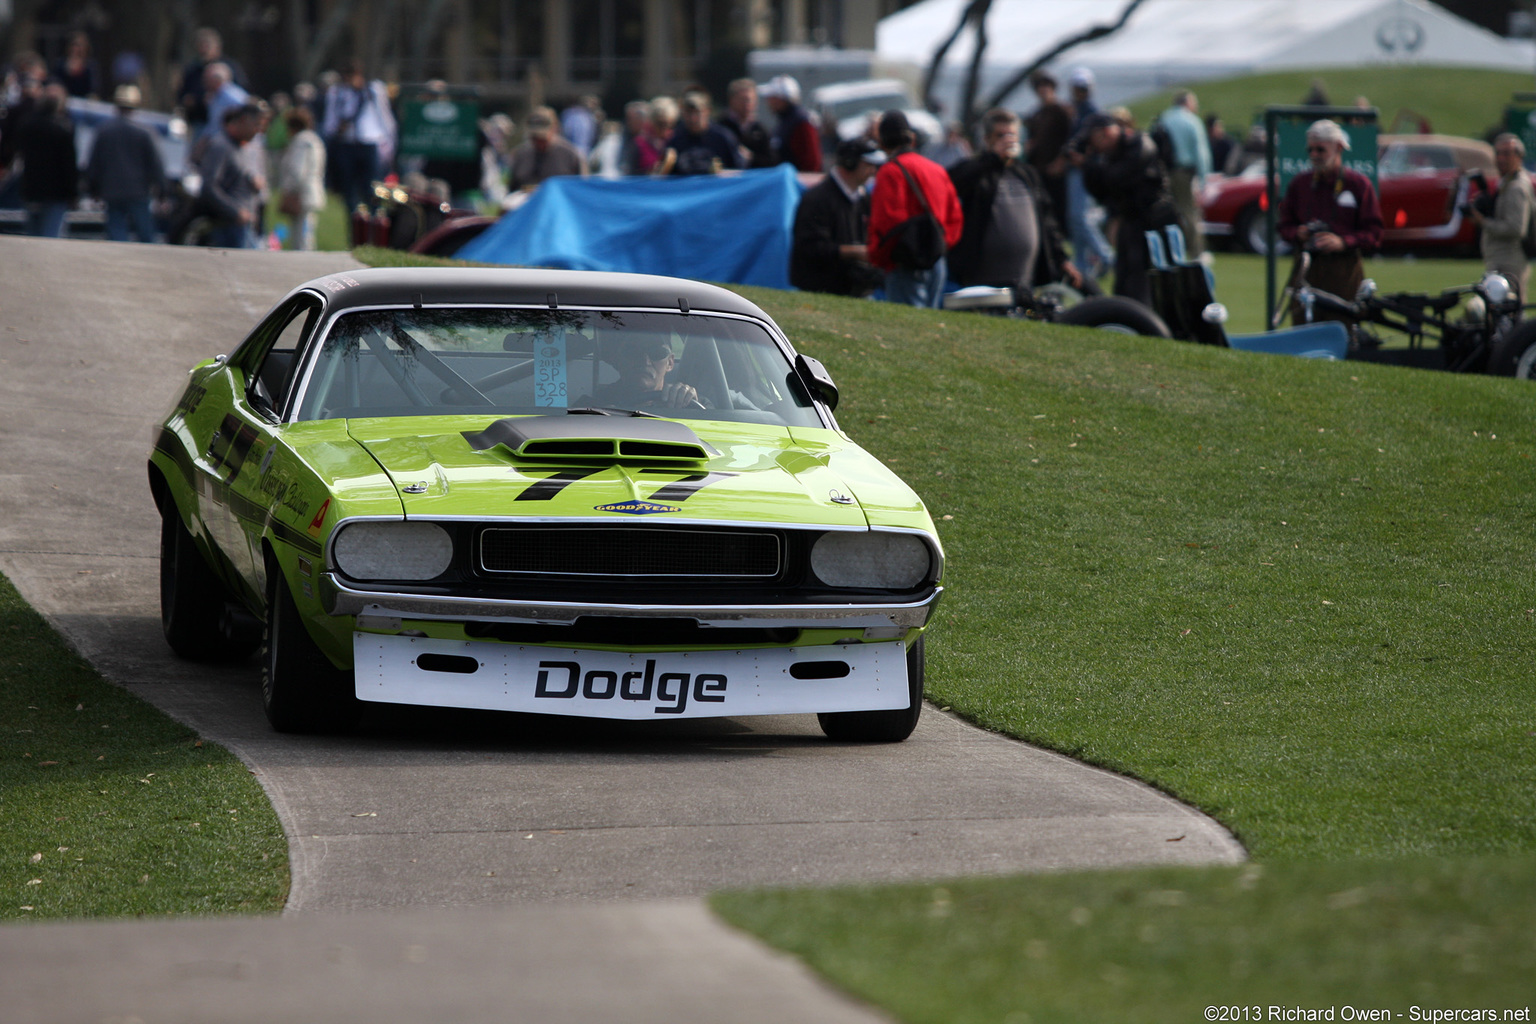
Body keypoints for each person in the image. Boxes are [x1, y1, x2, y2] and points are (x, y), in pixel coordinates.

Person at [948, 108, 1082, 293]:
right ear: (987, 139)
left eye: (1011, 134)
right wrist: (993, 158)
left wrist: (1061, 259)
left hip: (1024, 280)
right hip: (982, 281)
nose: (1007, 140)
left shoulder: (1028, 174)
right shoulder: (978, 171)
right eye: (1000, 135)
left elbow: (1047, 220)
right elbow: (954, 181)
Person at [1277, 119, 1383, 327]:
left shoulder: (1359, 185)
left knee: (1343, 332)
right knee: (1302, 334)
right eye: (1310, 150)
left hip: (1344, 273)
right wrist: (1298, 233)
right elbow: (1283, 226)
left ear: (1339, 148)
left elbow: (1375, 233)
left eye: (1321, 150)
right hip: (1307, 271)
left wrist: (1343, 242)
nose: (1314, 155)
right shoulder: (1300, 184)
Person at [1076, 111, 1183, 307]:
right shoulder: (1109, 156)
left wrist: (1092, 164)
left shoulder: (1139, 143)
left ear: (1106, 133)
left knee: (1144, 277)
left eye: (1093, 140)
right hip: (1131, 220)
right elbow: (1100, 192)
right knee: (1124, 276)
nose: (1092, 146)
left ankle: (1144, 318)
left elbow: (1118, 177)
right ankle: (1125, 316)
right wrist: (1087, 166)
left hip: (1154, 221)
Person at [867, 110, 964, 308]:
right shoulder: (936, 169)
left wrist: (878, 258)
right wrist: (939, 247)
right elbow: (955, 217)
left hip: (904, 263)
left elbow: (886, 223)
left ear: (882, 143)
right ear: (911, 139)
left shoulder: (889, 172)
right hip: (937, 260)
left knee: (908, 329)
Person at [790, 137, 886, 297]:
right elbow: (810, 248)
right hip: (821, 288)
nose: (873, 171)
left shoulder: (863, 198)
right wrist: (857, 252)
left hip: (854, 288)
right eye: (868, 164)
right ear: (850, 162)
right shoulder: (817, 199)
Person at [85, 84, 164, 243]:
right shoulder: (145, 132)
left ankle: (118, 264)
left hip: (111, 189)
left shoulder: (104, 130)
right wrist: (163, 190)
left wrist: (93, 188)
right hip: (139, 190)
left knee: (116, 233)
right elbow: (156, 163)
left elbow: (94, 162)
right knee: (145, 234)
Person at [321, 60, 396, 212]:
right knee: (349, 193)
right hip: (346, 144)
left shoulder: (373, 90)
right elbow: (329, 123)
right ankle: (356, 226)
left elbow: (385, 119)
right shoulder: (337, 93)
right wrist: (337, 129)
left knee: (372, 190)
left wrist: (390, 145)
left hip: (369, 144)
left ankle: (374, 226)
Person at [1471, 133, 1533, 305]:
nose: (1500, 158)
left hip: (1509, 261)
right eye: (1498, 153)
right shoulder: (1506, 182)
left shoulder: (1517, 187)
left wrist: (1483, 222)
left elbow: (1515, 228)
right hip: (1499, 259)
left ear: (1519, 157)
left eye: (1506, 153)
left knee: (1509, 312)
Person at [1064, 66, 1114, 281]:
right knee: (1076, 220)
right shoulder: (1074, 111)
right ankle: (1082, 266)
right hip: (1075, 170)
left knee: (1080, 217)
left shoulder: (1093, 112)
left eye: (1083, 88)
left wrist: (1082, 159)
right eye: (1077, 88)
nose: (1080, 92)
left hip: (1085, 170)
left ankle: (1105, 255)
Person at [197, 103, 265, 248]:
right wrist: (235, 212)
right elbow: (208, 187)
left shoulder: (241, 146)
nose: (259, 131)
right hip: (227, 226)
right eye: (256, 125)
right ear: (244, 120)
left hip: (243, 225)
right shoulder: (220, 146)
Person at [16, 86, 78, 237]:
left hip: (31, 188)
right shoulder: (63, 129)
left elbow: (18, 152)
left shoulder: (26, 126)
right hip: (56, 192)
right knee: (51, 234)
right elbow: (68, 164)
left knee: (32, 233)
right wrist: (73, 193)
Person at [1157, 90, 1212, 256]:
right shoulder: (1191, 121)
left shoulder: (1164, 118)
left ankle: (1170, 250)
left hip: (1164, 171)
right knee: (1190, 212)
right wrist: (1203, 178)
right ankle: (1196, 252)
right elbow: (1201, 152)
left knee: (1169, 212)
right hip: (1185, 172)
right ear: (1187, 103)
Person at [177, 28, 248, 134]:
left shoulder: (230, 67)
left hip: (224, 125)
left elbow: (241, 92)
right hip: (199, 121)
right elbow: (182, 93)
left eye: (207, 46)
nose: (204, 49)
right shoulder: (193, 69)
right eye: (201, 46)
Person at [593, 338, 699, 409]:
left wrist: (689, 401)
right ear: (617, 361)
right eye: (633, 352)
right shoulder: (594, 406)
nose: (645, 361)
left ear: (670, 363)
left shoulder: (689, 402)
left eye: (657, 353)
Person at [1023, 71, 1072, 223]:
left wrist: (1061, 162)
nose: (1043, 90)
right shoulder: (1036, 114)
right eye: (1039, 87)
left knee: (1059, 212)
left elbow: (1071, 138)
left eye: (1046, 86)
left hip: (1058, 170)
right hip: (1039, 169)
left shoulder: (1063, 111)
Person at [278, 105, 326, 250]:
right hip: (312, 191)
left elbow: (297, 170)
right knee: (306, 232)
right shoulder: (315, 140)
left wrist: (289, 191)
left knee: (301, 237)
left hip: (301, 194)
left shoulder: (300, 142)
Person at [507, 106, 586, 190]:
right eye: (534, 138)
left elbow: (581, 190)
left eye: (542, 139)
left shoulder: (570, 155)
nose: (539, 143)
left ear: (554, 129)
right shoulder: (521, 155)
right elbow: (512, 189)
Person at [665, 91, 740, 175]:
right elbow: (668, 177)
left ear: (707, 111)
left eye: (697, 112)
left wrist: (721, 173)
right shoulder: (675, 140)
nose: (693, 118)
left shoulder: (722, 137)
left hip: (716, 187)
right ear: (683, 113)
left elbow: (739, 173)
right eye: (688, 112)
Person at [762, 75, 821, 172]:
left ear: (781, 98)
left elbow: (812, 163)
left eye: (772, 97)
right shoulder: (785, 122)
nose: (768, 102)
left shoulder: (801, 123)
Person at [717, 78, 773, 169]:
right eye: (743, 99)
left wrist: (752, 157)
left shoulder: (760, 129)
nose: (748, 104)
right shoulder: (721, 127)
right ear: (732, 100)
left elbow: (772, 160)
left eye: (751, 100)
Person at [196, 62, 248, 145]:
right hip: (218, 142)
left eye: (207, 79)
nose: (204, 83)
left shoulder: (232, 96)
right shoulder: (215, 96)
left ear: (216, 79)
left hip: (232, 143)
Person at [52, 31, 98, 99]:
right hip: (64, 99)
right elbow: (55, 81)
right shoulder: (60, 63)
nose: (78, 49)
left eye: (81, 45)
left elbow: (94, 87)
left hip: (84, 102)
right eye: (75, 45)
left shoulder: (91, 66)